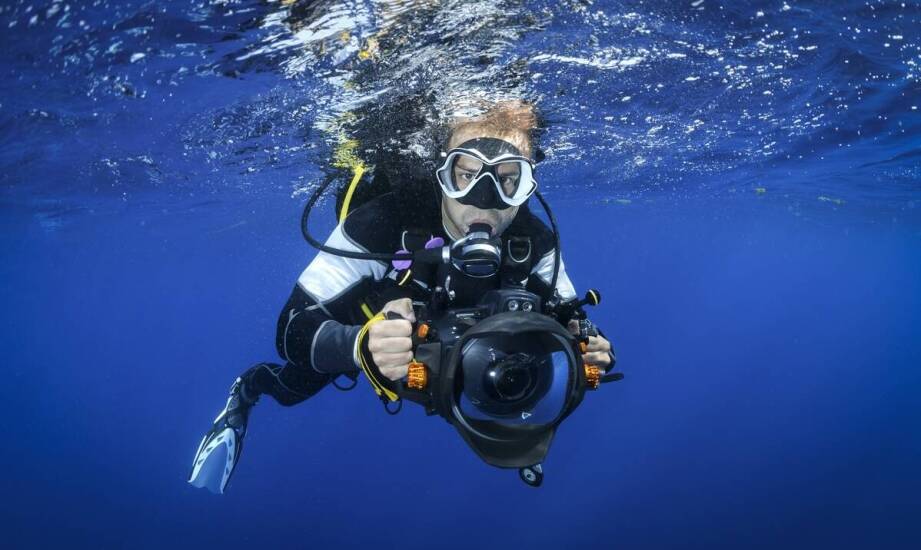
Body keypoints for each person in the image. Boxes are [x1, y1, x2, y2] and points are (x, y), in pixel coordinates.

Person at [188, 100, 615, 494]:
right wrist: (359, 345)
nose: (485, 201)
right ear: (441, 173)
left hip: (459, 359)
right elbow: (291, 329)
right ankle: (247, 391)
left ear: (527, 184)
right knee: (295, 385)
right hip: (371, 333)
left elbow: (570, 318)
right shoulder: (380, 223)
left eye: (508, 180)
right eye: (465, 176)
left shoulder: (535, 241)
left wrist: (588, 347)